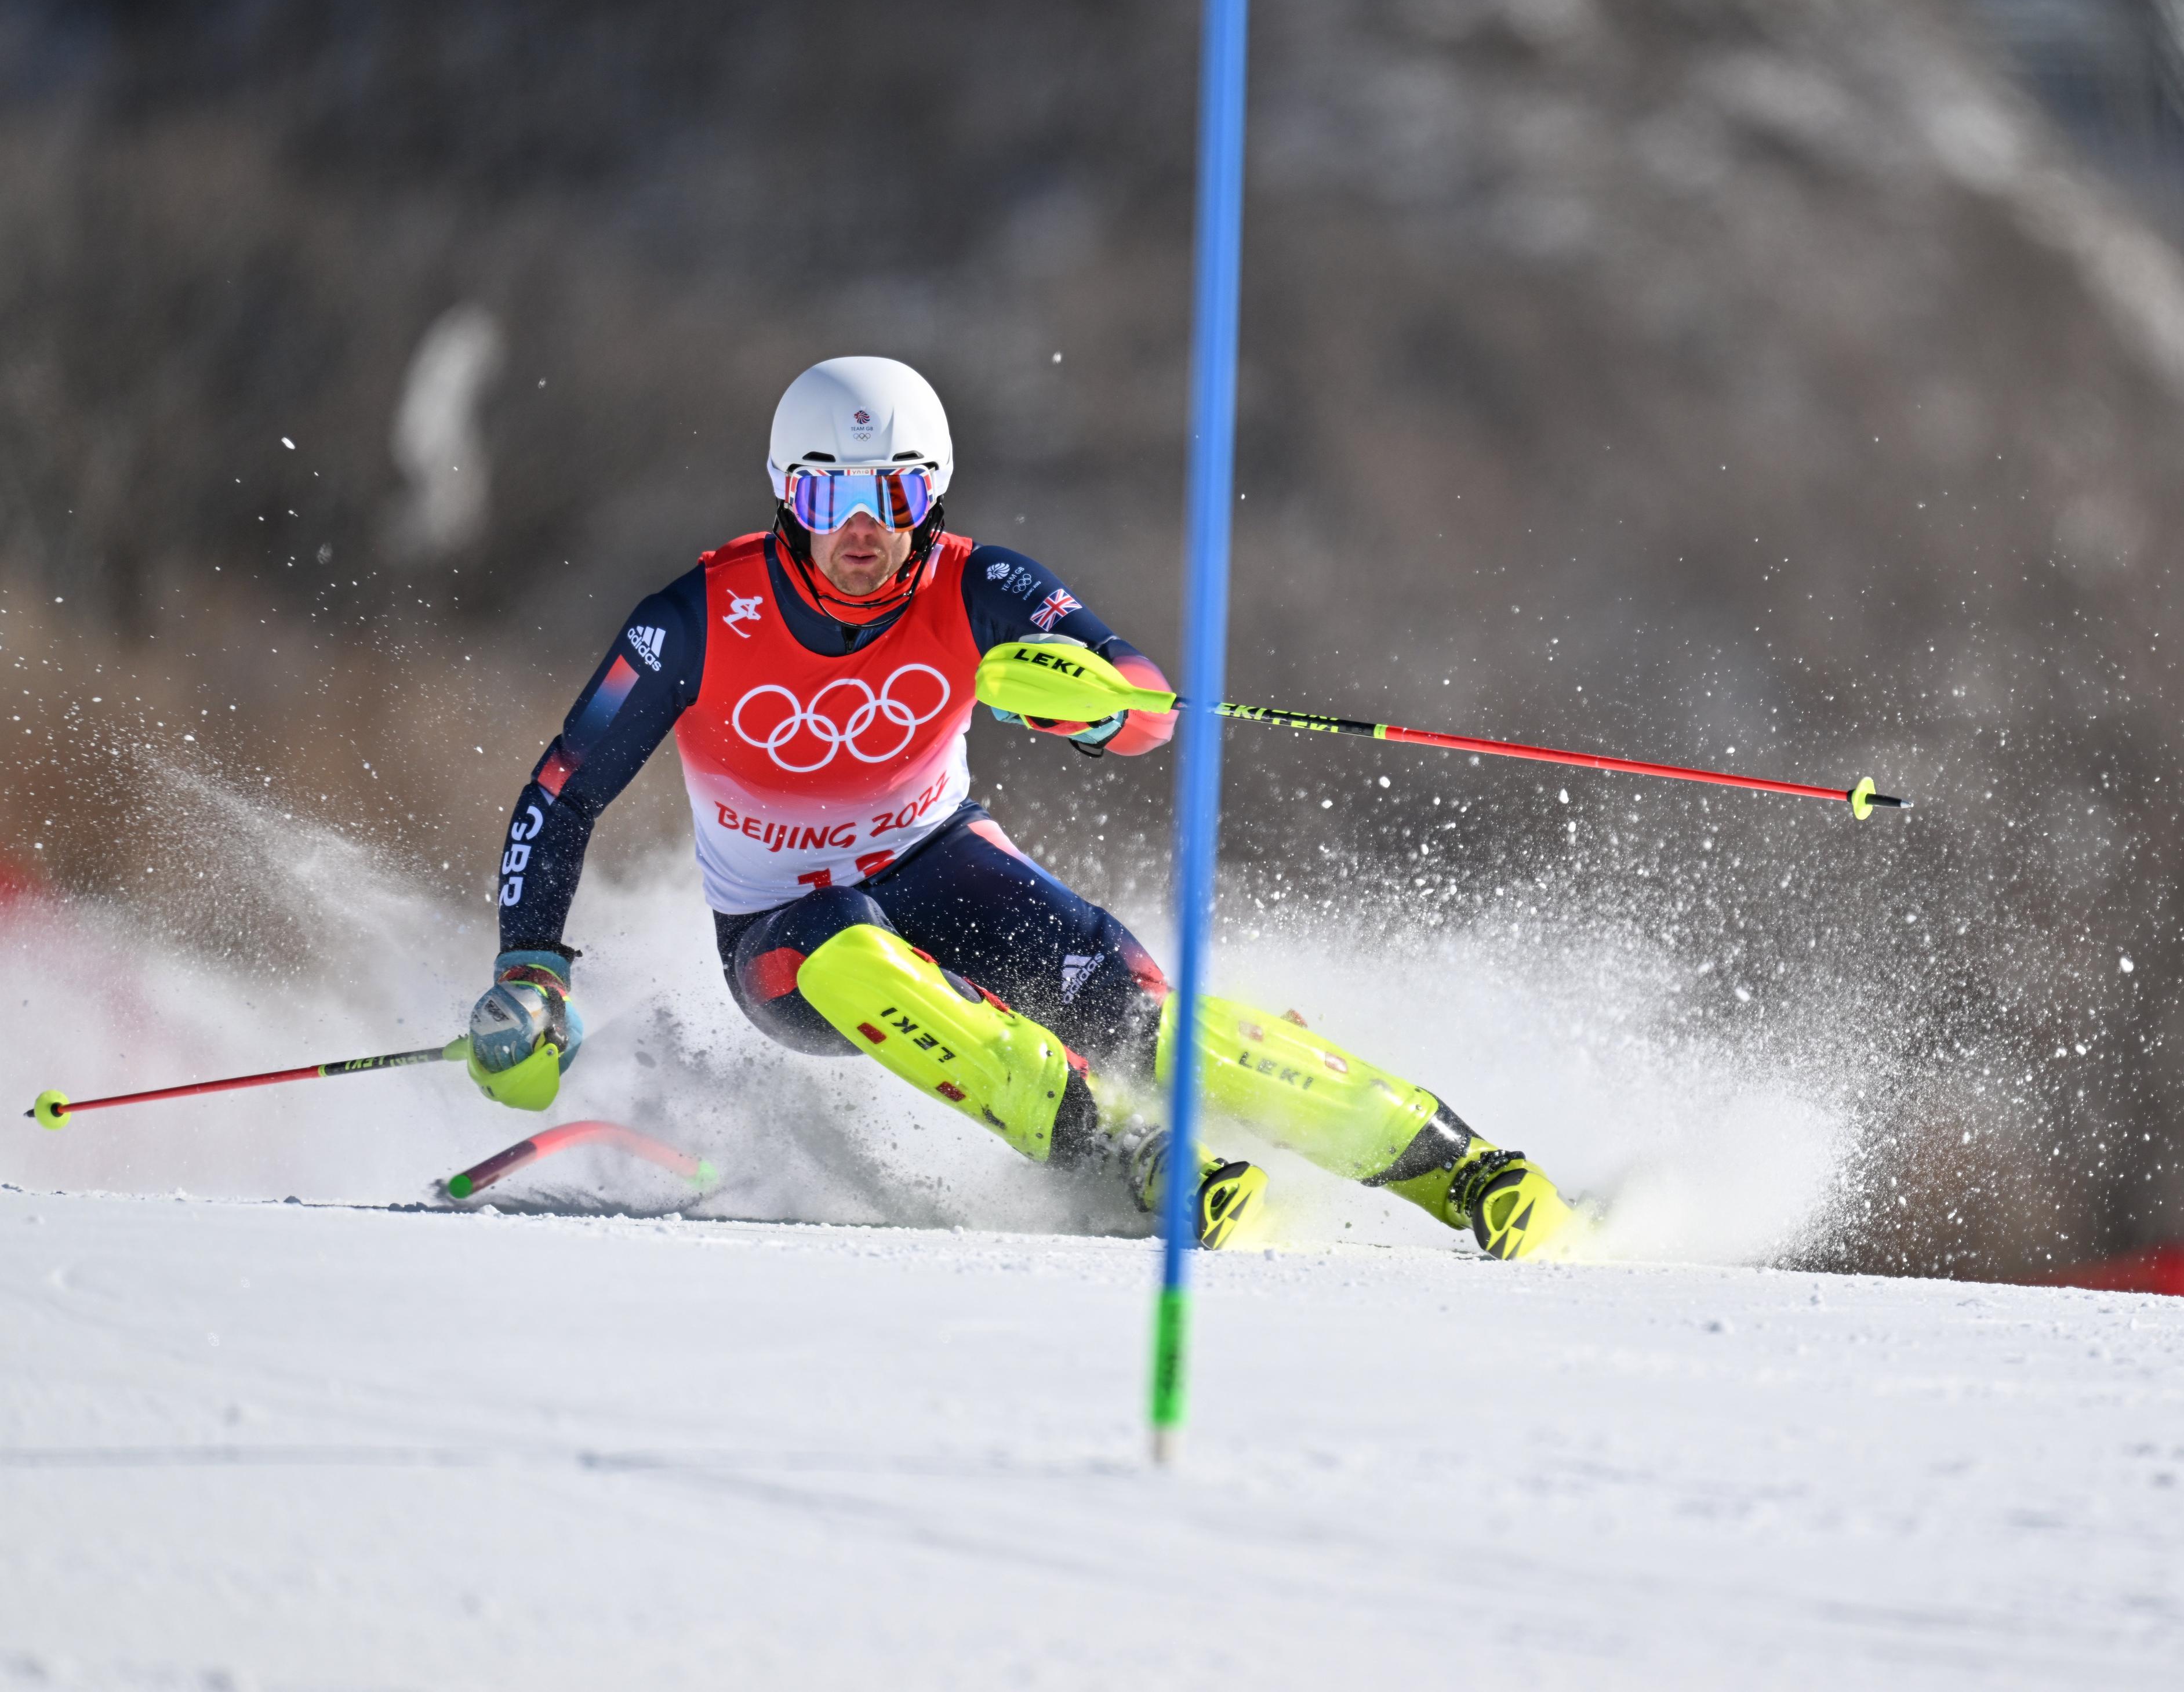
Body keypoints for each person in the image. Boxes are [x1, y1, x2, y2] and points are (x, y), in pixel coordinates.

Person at [463, 357, 1575, 1259]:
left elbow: (1147, 708)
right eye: (829, 497)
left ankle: (1457, 1167)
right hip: (783, 941)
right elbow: (565, 791)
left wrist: (1091, 706)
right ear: (786, 497)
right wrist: (532, 970)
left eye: (896, 495)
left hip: (945, 866)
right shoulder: (696, 618)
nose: (864, 531)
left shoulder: (978, 583)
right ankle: (1119, 1152)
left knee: (1140, 1019)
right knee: (846, 948)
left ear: (933, 495)